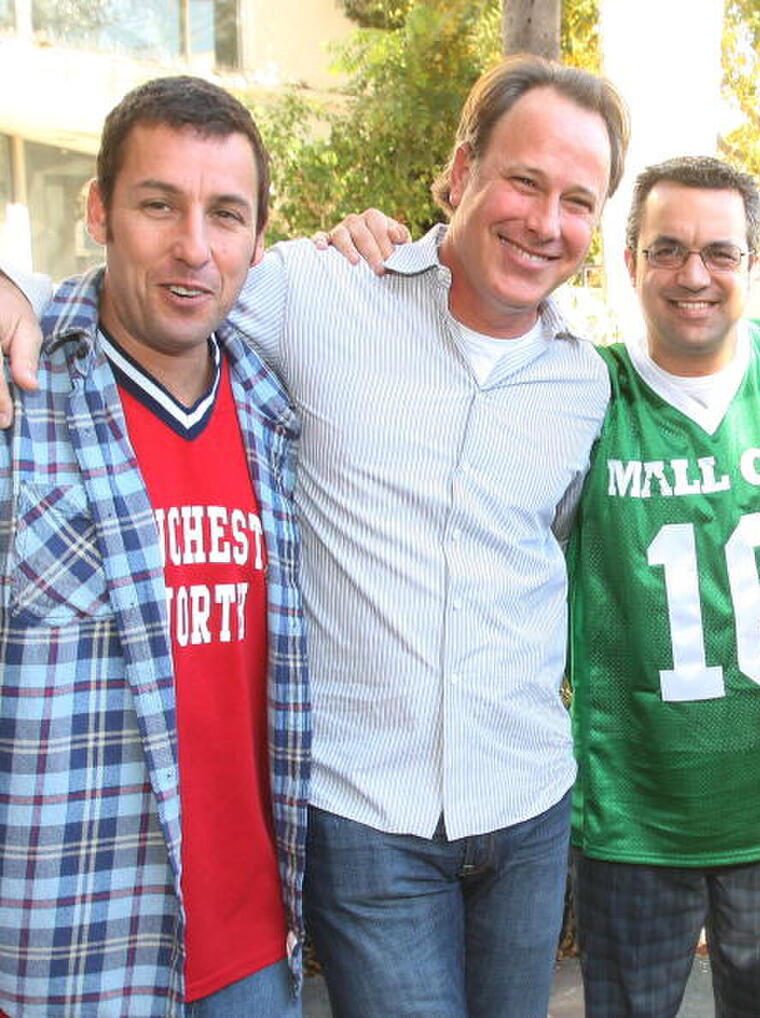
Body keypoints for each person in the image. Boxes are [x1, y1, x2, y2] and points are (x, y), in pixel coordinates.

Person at [0, 54, 630, 1018]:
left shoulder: (585, 386)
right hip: (365, 814)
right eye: (523, 180)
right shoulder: (316, 290)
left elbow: (549, 541)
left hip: (529, 807)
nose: (546, 222)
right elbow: (156, 296)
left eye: (578, 199)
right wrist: (13, 283)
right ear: (460, 174)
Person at [0, 77, 310, 1017]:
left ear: (260, 237)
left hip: (256, 950)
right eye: (157, 205)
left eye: (226, 215)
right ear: (97, 210)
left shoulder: (274, 408)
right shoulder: (22, 396)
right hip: (69, 953)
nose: (194, 249)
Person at [567, 156, 760, 1017]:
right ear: (629, 258)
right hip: (636, 821)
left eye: (720, 252)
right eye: (667, 249)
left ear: (753, 260)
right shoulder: (583, 391)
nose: (693, 275)